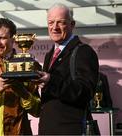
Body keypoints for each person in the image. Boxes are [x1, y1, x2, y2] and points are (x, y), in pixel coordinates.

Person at [37, 3, 99, 135]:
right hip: (48, 129)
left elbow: (85, 92)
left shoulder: (83, 52)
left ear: (72, 24)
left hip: (70, 129)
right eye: (51, 22)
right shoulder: (50, 54)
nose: (54, 27)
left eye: (61, 22)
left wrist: (51, 80)